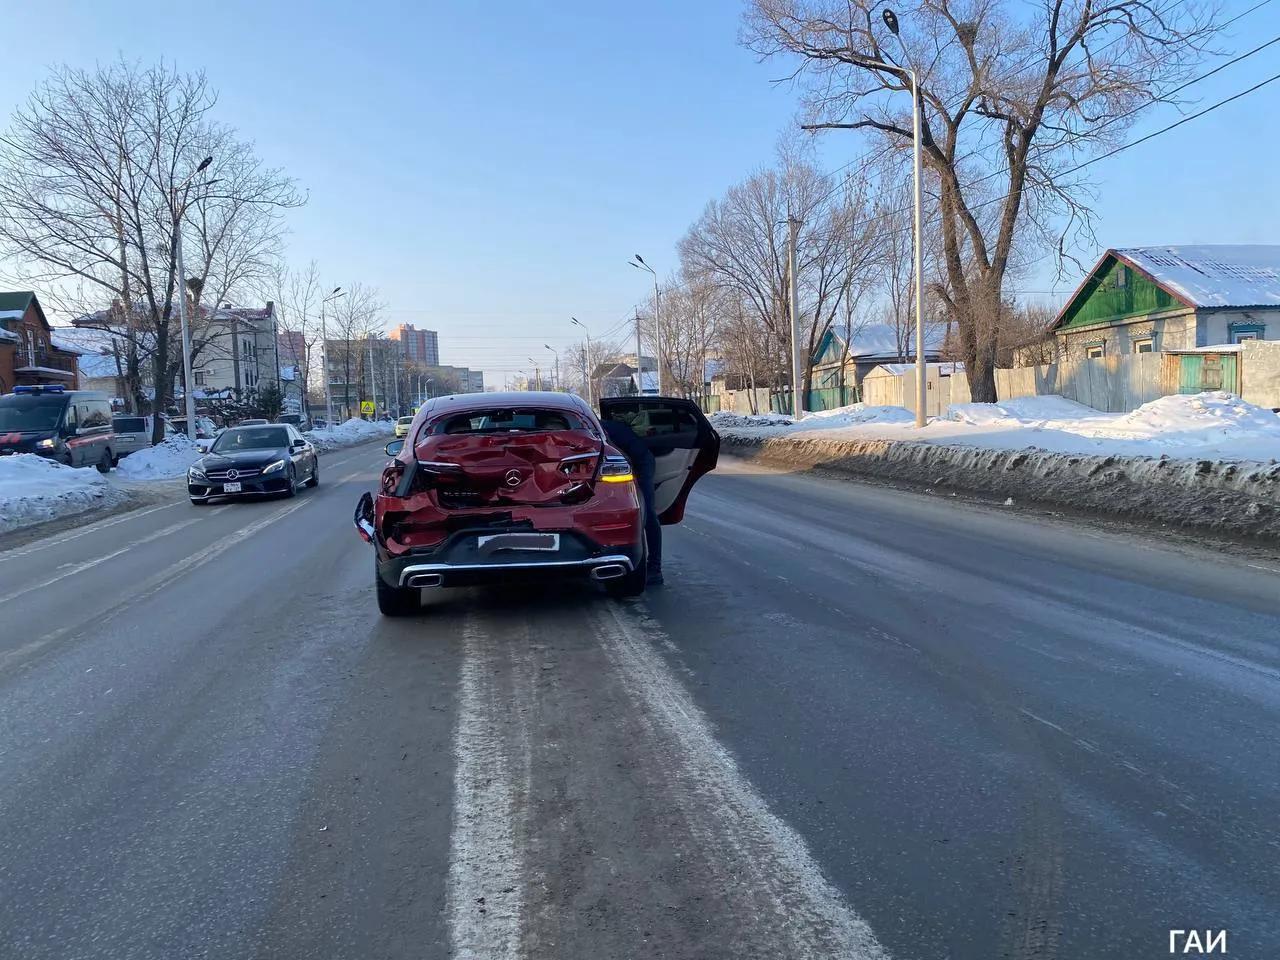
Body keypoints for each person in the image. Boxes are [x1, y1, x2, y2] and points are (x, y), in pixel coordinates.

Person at [600, 415, 662, 585]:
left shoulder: (598, 432)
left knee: (647, 513)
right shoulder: (595, 428)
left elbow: (616, 455)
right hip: (624, 462)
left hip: (641, 462)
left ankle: (655, 569)